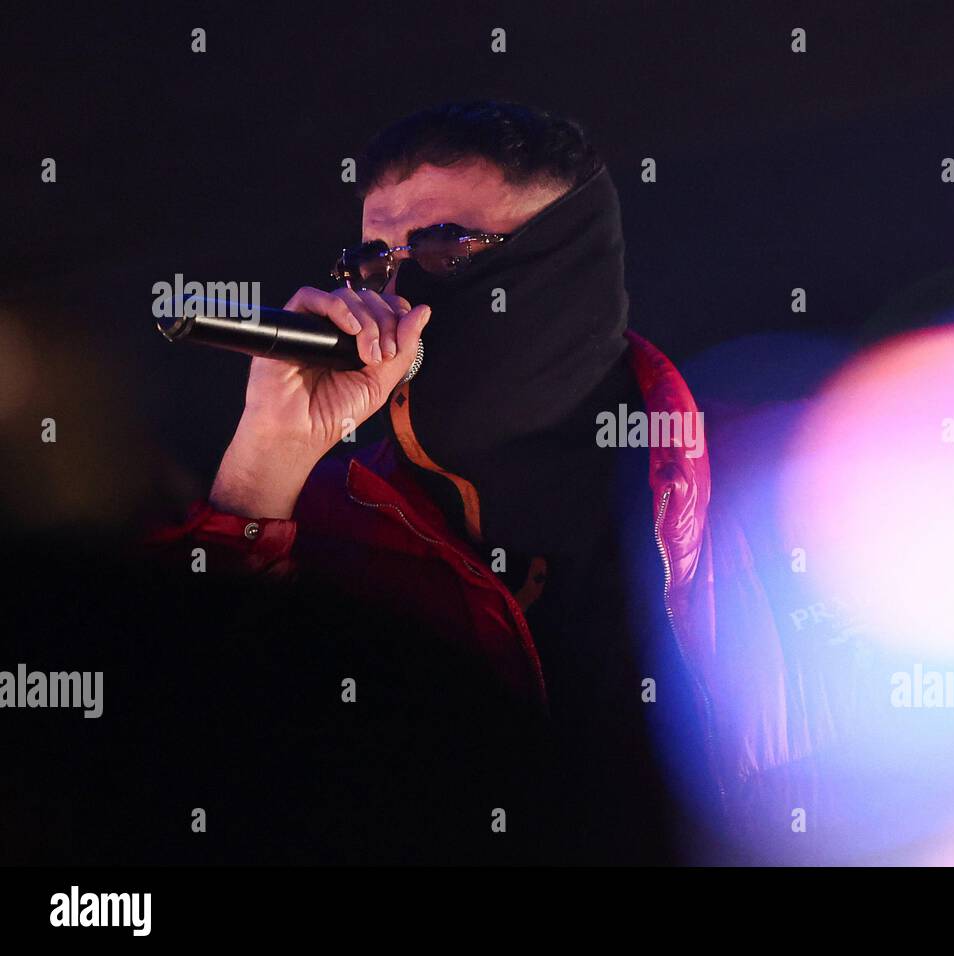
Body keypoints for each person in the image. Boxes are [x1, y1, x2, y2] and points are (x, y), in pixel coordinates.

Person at [151, 101, 821, 863]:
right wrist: (264, 458)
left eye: (443, 251)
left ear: (568, 263)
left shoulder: (784, 481)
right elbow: (154, 769)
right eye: (374, 262)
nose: (391, 298)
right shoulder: (322, 532)